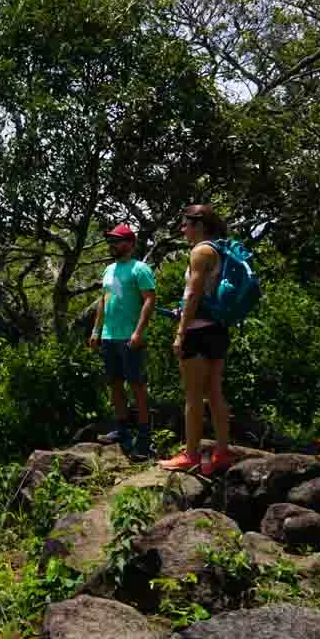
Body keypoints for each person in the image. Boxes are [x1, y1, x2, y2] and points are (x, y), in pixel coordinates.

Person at [159, 204, 233, 476]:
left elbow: (192, 295)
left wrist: (180, 333)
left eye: (185, 224)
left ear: (199, 225)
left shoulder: (200, 251)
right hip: (217, 330)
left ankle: (190, 455)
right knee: (214, 393)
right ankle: (222, 452)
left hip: (197, 331)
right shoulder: (219, 250)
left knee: (192, 395)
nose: (182, 229)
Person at [88, 223, 155, 460]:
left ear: (130, 243)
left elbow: (149, 300)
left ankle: (145, 437)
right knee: (115, 383)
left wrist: (138, 332)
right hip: (109, 335)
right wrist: (96, 330)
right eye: (111, 241)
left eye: (118, 240)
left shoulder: (140, 269)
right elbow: (104, 300)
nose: (113, 244)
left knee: (136, 385)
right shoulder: (109, 270)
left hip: (130, 336)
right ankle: (122, 429)